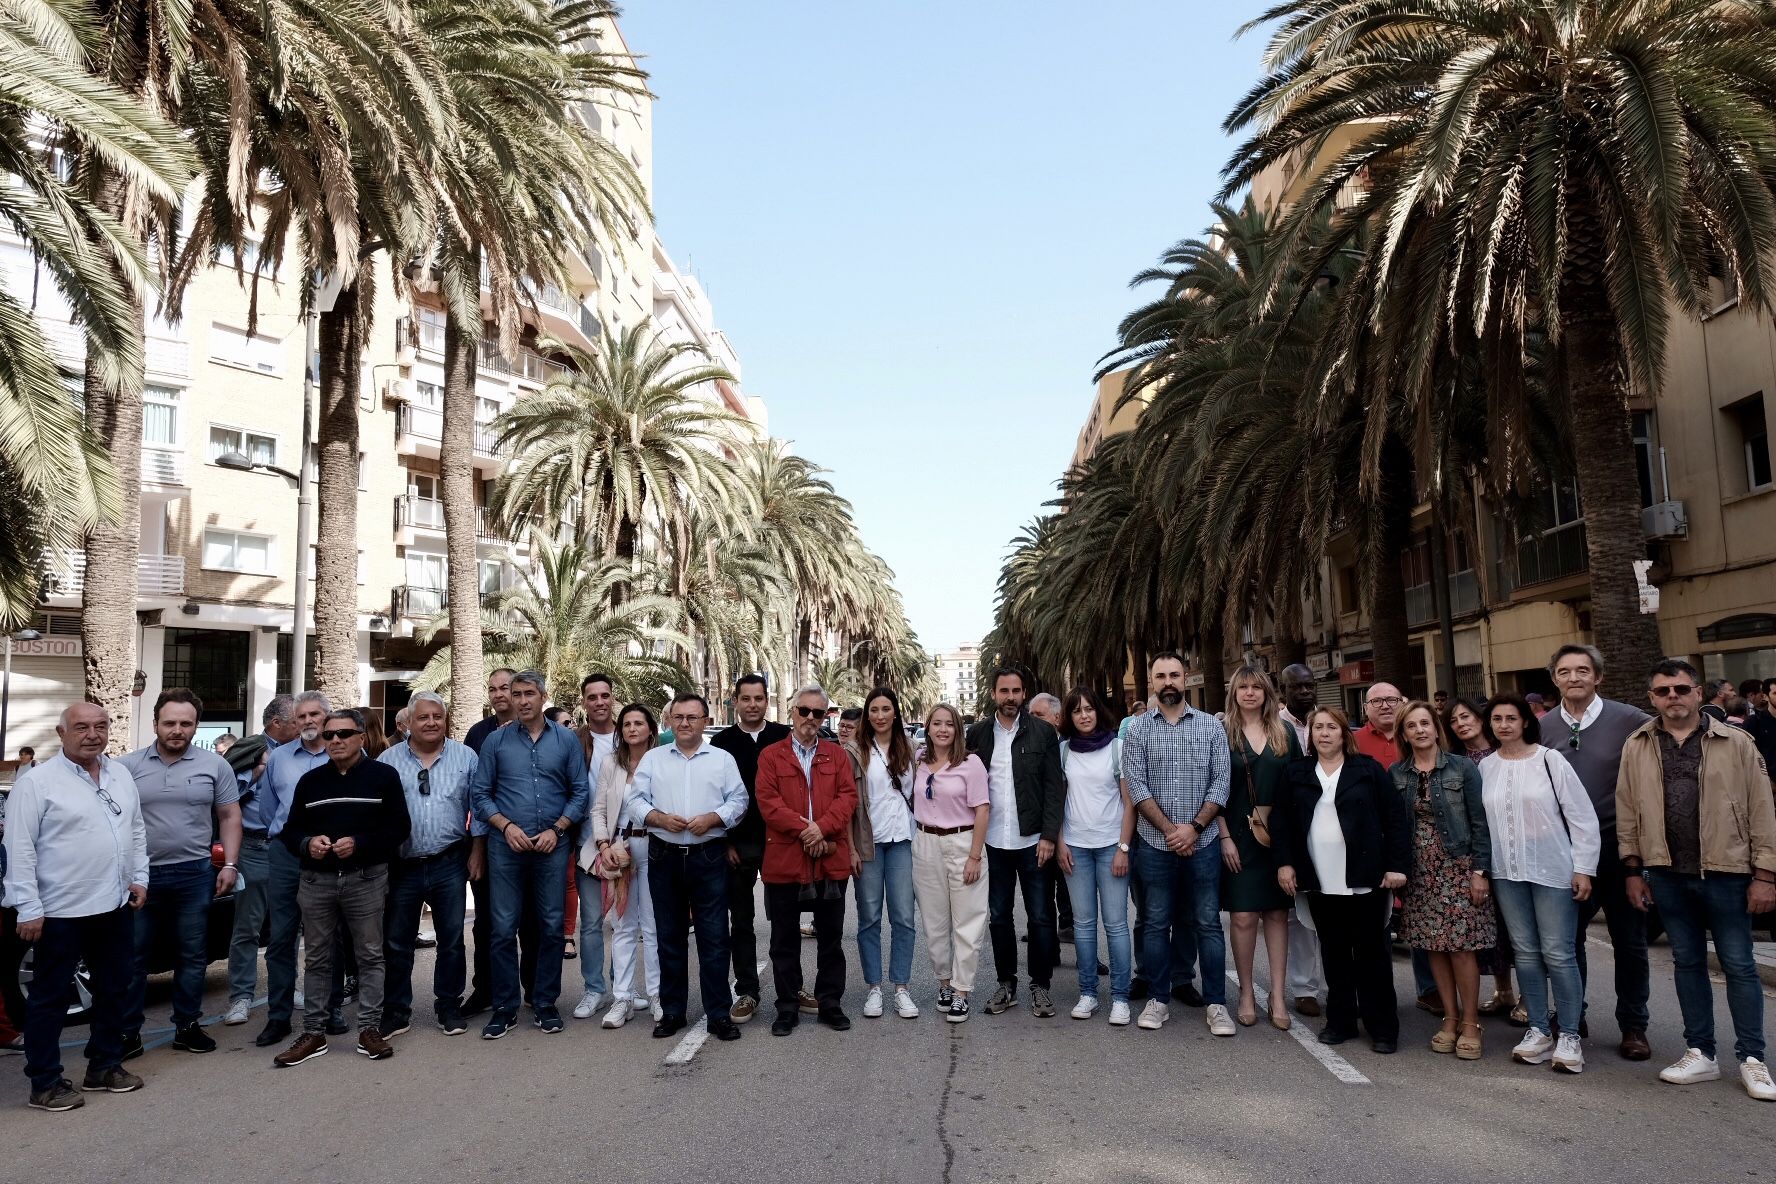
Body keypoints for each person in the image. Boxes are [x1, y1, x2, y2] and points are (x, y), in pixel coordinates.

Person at [1620, 659, 1776, 1102]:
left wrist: (1766, 875)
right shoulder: (1639, 744)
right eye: (1664, 690)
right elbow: (1628, 811)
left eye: (1682, 689)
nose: (1674, 697)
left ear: (1698, 693)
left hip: (1728, 873)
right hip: (1667, 874)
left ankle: (1752, 1058)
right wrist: (1633, 870)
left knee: (1740, 966)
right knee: (1687, 964)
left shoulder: (1737, 742)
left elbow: (1763, 810)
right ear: (1652, 697)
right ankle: (1701, 1052)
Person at [3, 703, 148, 1111]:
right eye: (81, 727)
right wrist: (28, 907)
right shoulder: (37, 783)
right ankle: (45, 1082)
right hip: (58, 911)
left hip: (114, 904)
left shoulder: (119, 773)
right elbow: (18, 848)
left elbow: (135, 830)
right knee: (49, 998)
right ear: (61, 732)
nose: (92, 734)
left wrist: (140, 878)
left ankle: (104, 1065)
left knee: (114, 988)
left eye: (100, 726)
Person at [272, 709, 411, 1067]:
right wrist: (308, 844)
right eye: (329, 734)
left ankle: (369, 1029)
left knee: (369, 955)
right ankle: (314, 1032)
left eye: (344, 734)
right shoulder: (311, 781)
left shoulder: (383, 776)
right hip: (316, 880)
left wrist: (360, 843)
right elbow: (290, 830)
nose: (334, 740)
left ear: (361, 737)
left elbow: (399, 828)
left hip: (365, 878)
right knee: (317, 957)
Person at [1271, 706, 1409, 1054]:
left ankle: (1382, 1028)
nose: (1324, 733)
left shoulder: (1368, 770)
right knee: (1334, 954)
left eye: (1332, 727)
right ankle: (1341, 1022)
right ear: (1311, 735)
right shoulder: (1296, 772)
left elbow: (1394, 819)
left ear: (1344, 733)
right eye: (1318, 727)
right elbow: (1282, 823)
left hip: (1364, 878)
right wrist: (1285, 864)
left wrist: (1396, 865)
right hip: (1319, 878)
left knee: (1372, 955)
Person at [1479, 693, 1600, 1075]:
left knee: (1559, 953)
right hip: (1506, 873)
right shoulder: (1486, 766)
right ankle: (1536, 1031)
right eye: (1496, 719)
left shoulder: (1550, 760)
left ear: (1525, 721)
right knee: (1525, 952)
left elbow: (1582, 816)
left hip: (1551, 871)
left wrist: (1584, 868)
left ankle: (1568, 1035)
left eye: (1510, 718)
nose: (1503, 725)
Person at [118, 689, 242, 1057]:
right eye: (169, 722)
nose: (177, 730)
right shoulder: (127, 767)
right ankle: (127, 1033)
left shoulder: (215, 765)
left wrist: (231, 864)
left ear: (195, 726)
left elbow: (229, 816)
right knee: (134, 958)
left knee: (192, 955)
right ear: (155, 723)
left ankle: (187, 1026)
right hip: (142, 878)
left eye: (185, 723)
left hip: (194, 874)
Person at [1546, 644, 1653, 1060]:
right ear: (1554, 678)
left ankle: (1634, 1026)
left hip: (1620, 851)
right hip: (1567, 855)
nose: (1574, 678)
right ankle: (1573, 1015)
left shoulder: (1631, 720)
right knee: (1567, 941)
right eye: (1565, 671)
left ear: (1598, 677)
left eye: (1583, 670)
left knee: (1630, 942)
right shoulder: (1543, 726)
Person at [470, 670, 590, 1039]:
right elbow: (480, 794)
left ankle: (544, 1002)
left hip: (553, 847)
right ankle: (505, 1007)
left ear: (543, 697)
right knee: (503, 929)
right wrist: (506, 826)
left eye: (529, 693)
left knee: (552, 926)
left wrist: (558, 830)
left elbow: (580, 792)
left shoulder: (567, 741)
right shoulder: (495, 742)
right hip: (506, 847)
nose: (522, 700)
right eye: (516, 693)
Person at [1124, 652, 1235, 1036]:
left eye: (1174, 674)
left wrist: (1194, 828)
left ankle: (1217, 1004)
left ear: (1185, 678)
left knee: (1207, 924)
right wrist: (1173, 831)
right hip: (1155, 845)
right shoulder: (1137, 730)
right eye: (1160, 676)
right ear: (1151, 682)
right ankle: (1158, 999)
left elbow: (1222, 782)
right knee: (1155, 923)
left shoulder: (1210, 727)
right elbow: (1136, 787)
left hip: (1202, 846)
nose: (1168, 681)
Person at [628, 692, 747, 1041]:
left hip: (708, 855)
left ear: (705, 722)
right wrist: (659, 818)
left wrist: (714, 818)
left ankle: (718, 1014)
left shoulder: (722, 759)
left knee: (713, 938)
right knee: (669, 938)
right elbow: (634, 800)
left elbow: (740, 801)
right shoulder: (653, 759)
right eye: (678, 717)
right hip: (664, 854)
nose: (684, 724)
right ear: (669, 721)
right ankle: (673, 1012)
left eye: (692, 718)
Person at [1391, 701, 1494, 1060]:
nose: (1419, 730)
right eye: (1411, 726)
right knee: (1433, 946)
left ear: (1436, 728)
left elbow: (1480, 821)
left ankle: (1470, 1022)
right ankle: (1449, 1019)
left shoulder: (1462, 768)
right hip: (1419, 871)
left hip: (1457, 865)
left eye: (1425, 723)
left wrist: (1480, 871)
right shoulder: (1397, 773)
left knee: (1462, 948)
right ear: (1403, 734)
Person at [755, 685, 859, 1036]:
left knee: (831, 938)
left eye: (819, 713)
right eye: (805, 711)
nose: (811, 719)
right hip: (786, 860)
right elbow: (768, 802)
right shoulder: (771, 756)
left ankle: (830, 1003)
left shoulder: (837, 755)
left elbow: (847, 797)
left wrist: (823, 828)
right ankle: (787, 1007)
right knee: (784, 940)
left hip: (829, 861)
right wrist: (806, 831)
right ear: (792, 712)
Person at [378, 692, 482, 1038]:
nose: (432, 722)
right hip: (402, 864)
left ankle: (448, 1006)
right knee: (397, 942)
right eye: (424, 717)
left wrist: (477, 851)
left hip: (450, 860)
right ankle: (396, 1011)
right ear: (408, 721)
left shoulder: (466, 757)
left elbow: (478, 809)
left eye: (438, 716)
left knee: (451, 939)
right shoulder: (388, 760)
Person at [965, 667, 1064, 1019]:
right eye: (1004, 690)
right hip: (992, 843)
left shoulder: (1042, 732)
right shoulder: (976, 734)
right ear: (994, 694)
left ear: (1024, 693)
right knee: (998, 917)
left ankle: (1041, 986)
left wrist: (1050, 836)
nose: (1010, 697)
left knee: (1040, 916)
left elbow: (1055, 787)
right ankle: (1006, 984)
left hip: (1033, 840)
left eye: (1016, 690)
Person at [255, 691, 338, 1049]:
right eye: (300, 716)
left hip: (332, 854)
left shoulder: (345, 753)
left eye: (314, 715)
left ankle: (330, 1011)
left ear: (327, 718)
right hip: (287, 853)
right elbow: (268, 811)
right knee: (282, 937)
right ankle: (278, 1017)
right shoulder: (278, 759)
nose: (307, 721)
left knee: (329, 937)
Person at [1219, 666, 1300, 1031]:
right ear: (1234, 692)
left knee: (1278, 916)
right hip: (1237, 836)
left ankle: (1278, 995)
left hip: (1277, 838)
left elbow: (1299, 788)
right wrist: (1223, 837)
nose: (1250, 692)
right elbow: (1213, 790)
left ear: (1267, 692)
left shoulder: (1284, 734)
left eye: (1256, 687)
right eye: (1243, 687)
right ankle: (1247, 992)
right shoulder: (1222, 733)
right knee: (1243, 917)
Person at [710, 673, 792, 1024]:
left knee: (784, 921)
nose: (753, 704)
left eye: (759, 698)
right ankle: (747, 990)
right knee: (740, 922)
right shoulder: (721, 744)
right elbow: (712, 795)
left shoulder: (784, 737)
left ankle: (790, 990)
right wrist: (725, 840)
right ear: (736, 702)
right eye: (746, 699)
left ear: (767, 701)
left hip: (780, 842)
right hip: (736, 845)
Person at [1056, 686, 1134, 1025]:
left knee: (1116, 924)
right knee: (1084, 926)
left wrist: (1123, 847)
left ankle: (1120, 996)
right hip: (1075, 847)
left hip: (1110, 847)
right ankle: (1088, 993)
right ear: (1069, 718)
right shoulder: (1062, 752)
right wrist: (1059, 842)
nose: (1084, 715)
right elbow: (1056, 802)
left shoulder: (1117, 748)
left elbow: (1130, 803)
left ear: (1098, 711)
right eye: (1077, 711)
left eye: (1089, 709)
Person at [581, 703, 662, 1028]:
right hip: (619, 849)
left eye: (638, 723)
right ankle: (623, 998)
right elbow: (598, 809)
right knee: (623, 926)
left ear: (650, 729)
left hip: (655, 847)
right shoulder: (610, 764)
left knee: (653, 926)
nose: (631, 728)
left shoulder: (662, 762)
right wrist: (603, 845)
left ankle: (657, 995)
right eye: (626, 723)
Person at [911, 704, 990, 1022]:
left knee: (967, 921)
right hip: (925, 843)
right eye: (937, 724)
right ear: (928, 728)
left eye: (949, 724)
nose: (943, 729)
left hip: (962, 842)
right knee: (934, 922)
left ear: (958, 729)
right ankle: (944, 984)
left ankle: (961, 991)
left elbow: (983, 810)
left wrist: (974, 856)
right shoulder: (918, 761)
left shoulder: (970, 764)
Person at [223, 694, 299, 1027]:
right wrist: (257, 771)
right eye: (296, 720)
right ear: (276, 724)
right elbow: (227, 800)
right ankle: (241, 996)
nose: (303, 726)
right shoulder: (251, 751)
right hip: (254, 849)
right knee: (247, 928)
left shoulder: (300, 754)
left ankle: (288, 986)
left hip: (289, 848)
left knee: (288, 927)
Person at [1445, 695, 1517, 1020]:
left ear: (1480, 716)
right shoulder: (1455, 760)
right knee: (1493, 927)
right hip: (1477, 853)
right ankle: (1504, 991)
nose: (1461, 724)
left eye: (1466, 717)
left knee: (1519, 927)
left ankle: (1530, 999)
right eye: (1454, 721)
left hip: (1511, 846)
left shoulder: (1504, 751)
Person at [851, 687, 920, 1020]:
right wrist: (850, 846)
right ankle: (874, 988)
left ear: (896, 712)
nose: (879, 715)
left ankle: (901, 988)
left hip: (903, 841)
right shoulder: (856, 750)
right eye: (874, 709)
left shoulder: (911, 749)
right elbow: (849, 805)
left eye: (886, 709)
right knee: (870, 918)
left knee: (904, 918)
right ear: (868, 714)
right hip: (869, 844)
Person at [567, 672, 619, 1016]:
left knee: (625, 922)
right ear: (584, 702)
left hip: (628, 844)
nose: (599, 702)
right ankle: (594, 989)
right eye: (592, 697)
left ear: (613, 698)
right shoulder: (574, 740)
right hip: (586, 844)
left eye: (605, 696)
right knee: (590, 921)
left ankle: (624, 987)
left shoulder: (630, 735)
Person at [1276, 664, 1324, 1018]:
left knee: (1335, 908)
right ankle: (1305, 988)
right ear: (1284, 690)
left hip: (1331, 825)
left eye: (1310, 685)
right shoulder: (1275, 727)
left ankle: (1340, 984)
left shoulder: (1328, 720)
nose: (1306, 691)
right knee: (1299, 914)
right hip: (1294, 824)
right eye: (1298, 687)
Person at [1027, 692, 1075, 938]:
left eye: (1039, 715)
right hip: (1042, 831)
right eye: (1031, 715)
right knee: (1042, 892)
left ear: (1056, 718)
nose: (1033, 720)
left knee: (1072, 892)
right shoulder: (1025, 745)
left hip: (1071, 832)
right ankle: (1046, 942)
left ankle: (1070, 929)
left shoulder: (1072, 746)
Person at [1353, 682, 1404, 765]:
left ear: (1403, 705)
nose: (1385, 706)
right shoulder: (1351, 741)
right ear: (1366, 708)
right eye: (1376, 701)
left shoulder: (1418, 736)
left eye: (1391, 700)